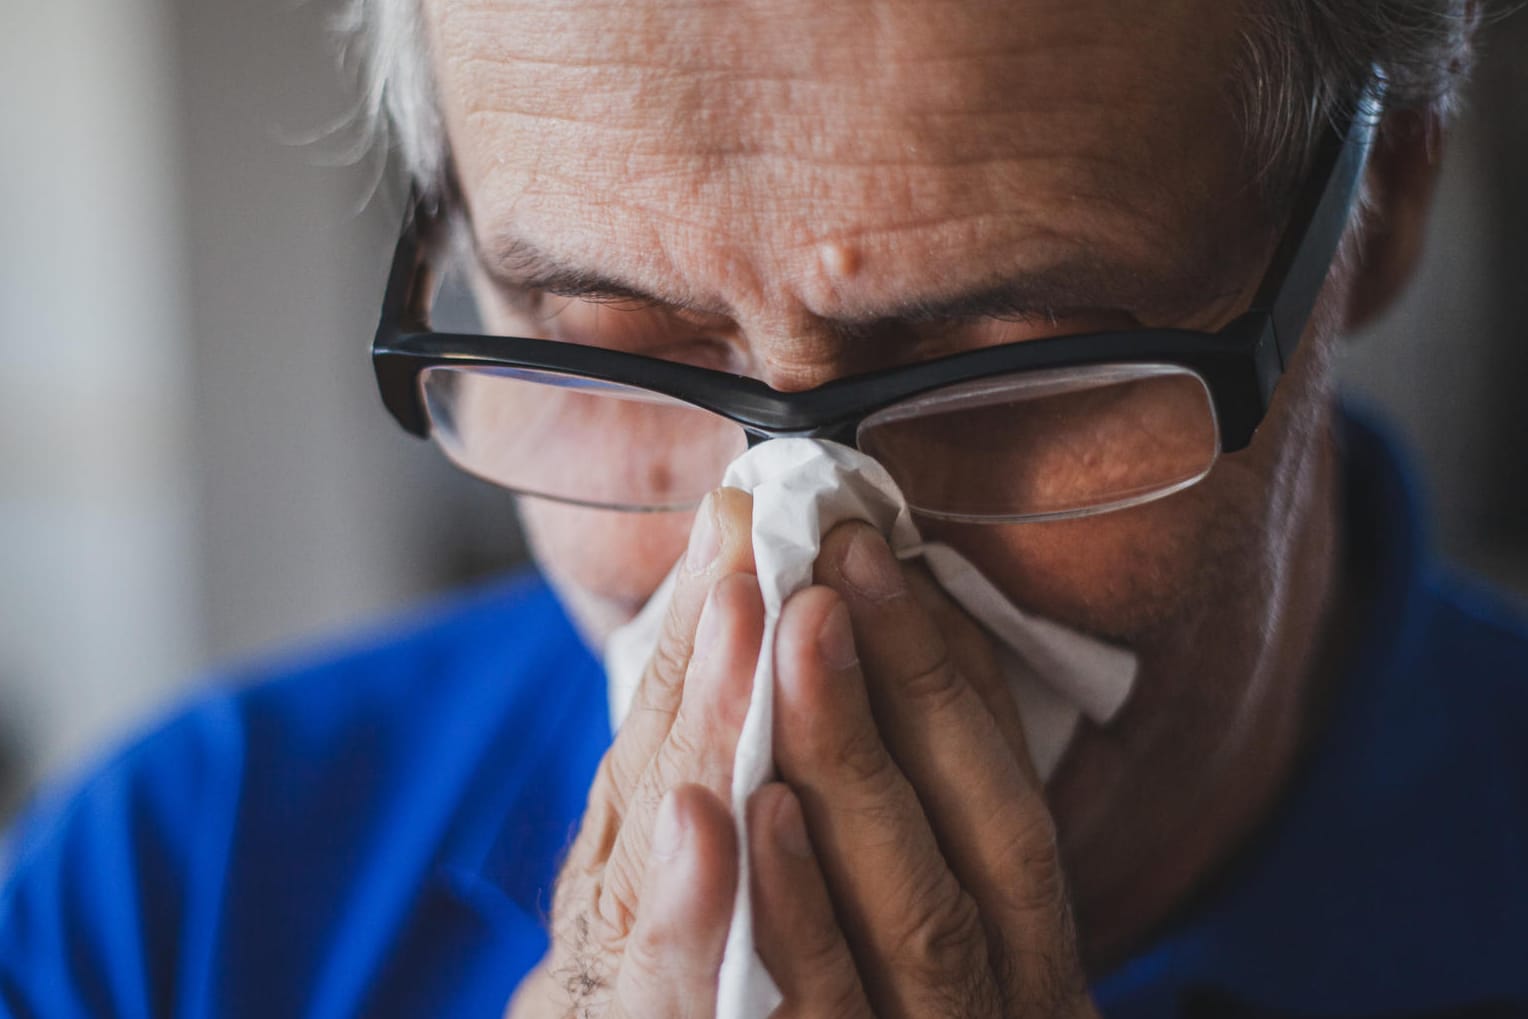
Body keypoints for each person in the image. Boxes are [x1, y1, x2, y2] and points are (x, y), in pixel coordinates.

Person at [3, 0, 1526, 1016]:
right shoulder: (169, 908)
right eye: (604, 349)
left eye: (1013, 370)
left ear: (1380, 199)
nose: (795, 575)